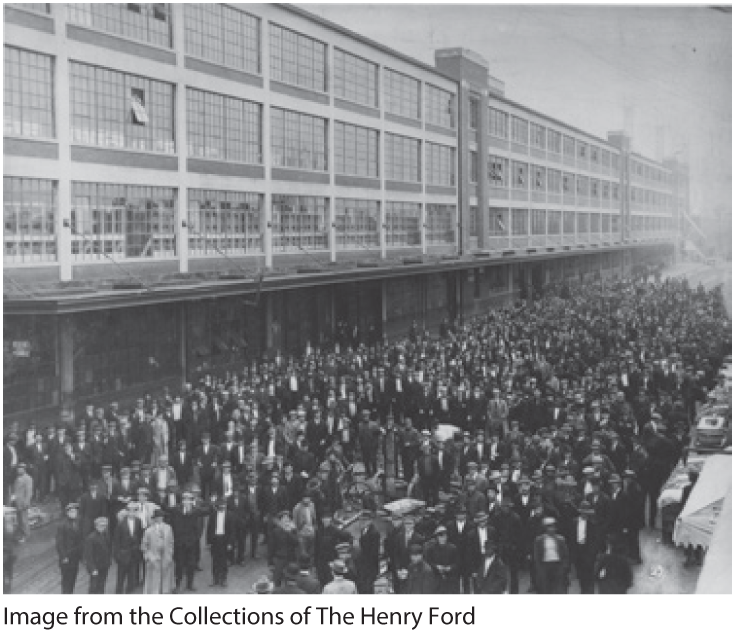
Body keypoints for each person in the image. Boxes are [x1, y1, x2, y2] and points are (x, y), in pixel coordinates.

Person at [112, 499, 143, 594]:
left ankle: (129, 593)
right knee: (120, 578)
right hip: (123, 554)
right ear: (127, 511)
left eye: (134, 510)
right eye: (130, 510)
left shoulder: (138, 521)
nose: (132, 512)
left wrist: (138, 549)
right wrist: (117, 555)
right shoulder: (121, 524)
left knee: (131, 578)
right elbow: (116, 541)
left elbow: (139, 536)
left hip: (134, 554)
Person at [141, 508, 174, 594]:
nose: (159, 519)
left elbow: (171, 542)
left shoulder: (168, 528)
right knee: (154, 577)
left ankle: (165, 592)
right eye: (158, 517)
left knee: (166, 575)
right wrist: (149, 557)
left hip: (165, 556)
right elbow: (144, 546)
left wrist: (170, 554)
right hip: (153, 557)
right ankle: (154, 593)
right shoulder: (148, 530)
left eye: (161, 517)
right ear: (154, 518)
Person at [533, 517, 570, 594]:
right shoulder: (539, 540)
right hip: (545, 565)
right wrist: (539, 568)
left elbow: (565, 555)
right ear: (545, 528)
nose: (551, 529)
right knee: (545, 588)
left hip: (557, 565)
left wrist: (564, 567)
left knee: (558, 588)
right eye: (549, 527)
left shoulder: (561, 539)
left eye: (553, 527)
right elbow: (537, 555)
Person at [56, 502, 84, 594]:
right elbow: (59, 543)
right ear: (67, 513)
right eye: (71, 512)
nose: (73, 513)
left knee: (72, 579)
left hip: (75, 557)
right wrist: (64, 557)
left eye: (75, 512)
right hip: (67, 558)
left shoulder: (77, 523)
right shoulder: (62, 525)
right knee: (66, 580)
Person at [207, 497, 235, 587]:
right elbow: (209, 528)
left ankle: (223, 579)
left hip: (225, 540)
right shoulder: (213, 515)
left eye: (223, 505)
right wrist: (208, 542)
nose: (222, 507)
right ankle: (215, 579)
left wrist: (230, 543)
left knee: (223, 560)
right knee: (215, 560)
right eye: (220, 506)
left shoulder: (230, 515)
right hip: (215, 539)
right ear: (217, 506)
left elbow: (232, 531)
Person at [83, 516, 111, 594]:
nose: (103, 527)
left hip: (104, 565)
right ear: (96, 526)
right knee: (94, 587)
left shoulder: (106, 535)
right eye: (101, 525)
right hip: (96, 566)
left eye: (104, 526)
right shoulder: (91, 538)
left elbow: (108, 550)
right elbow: (88, 555)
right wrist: (92, 568)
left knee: (102, 585)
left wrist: (108, 562)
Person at [12, 462, 33, 543]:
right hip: (17, 502)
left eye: (20, 469)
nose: (18, 470)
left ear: (24, 469)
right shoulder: (18, 478)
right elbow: (16, 490)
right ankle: (21, 534)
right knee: (19, 520)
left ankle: (26, 535)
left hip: (23, 503)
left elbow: (29, 492)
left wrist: (26, 502)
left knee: (24, 520)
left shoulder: (28, 478)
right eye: (18, 469)